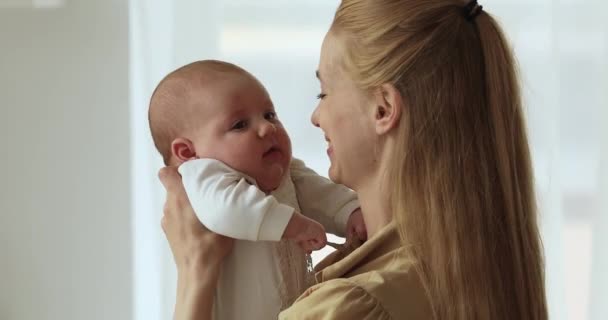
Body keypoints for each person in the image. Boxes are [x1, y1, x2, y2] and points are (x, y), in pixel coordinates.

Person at [158, 0, 549, 319]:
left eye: (323, 93)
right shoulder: (481, 271)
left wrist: (195, 274)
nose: (315, 117)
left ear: (382, 109)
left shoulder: (348, 308)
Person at [148, 60, 366, 320]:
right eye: (240, 124)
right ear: (188, 152)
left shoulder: (287, 174)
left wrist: (351, 213)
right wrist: (296, 226)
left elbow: (321, 194)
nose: (267, 127)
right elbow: (227, 211)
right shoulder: (203, 176)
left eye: (269, 114)